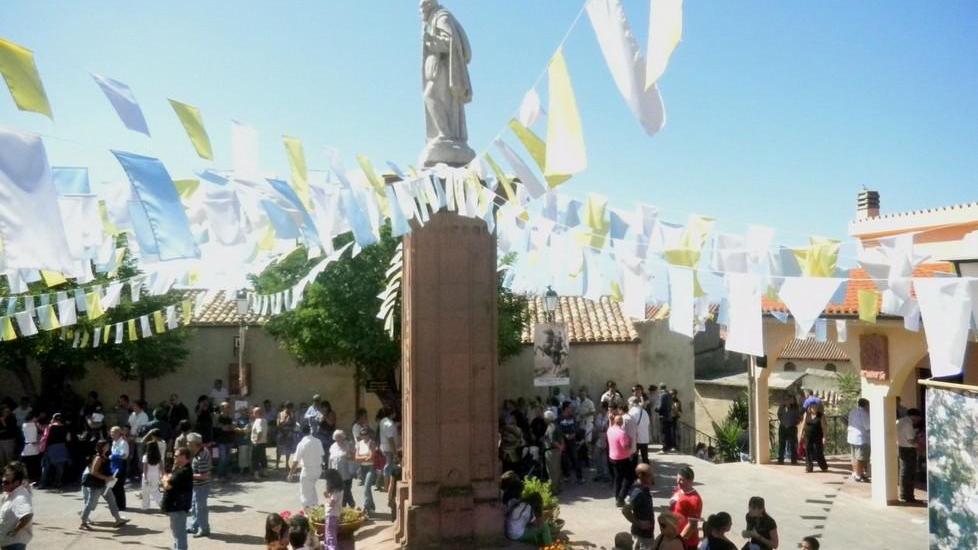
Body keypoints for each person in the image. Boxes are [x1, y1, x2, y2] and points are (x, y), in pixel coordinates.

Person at [79, 440, 128, 529]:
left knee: (112, 500)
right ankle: (83, 522)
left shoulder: (104, 457)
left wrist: (109, 477)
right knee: (91, 503)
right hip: (96, 484)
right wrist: (106, 478)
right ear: (102, 447)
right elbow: (93, 472)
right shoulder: (98, 458)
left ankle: (118, 519)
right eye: (107, 445)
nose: (108, 447)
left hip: (104, 484)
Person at [162, 447, 193, 550]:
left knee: (179, 534)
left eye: (176, 456)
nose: (174, 457)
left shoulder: (184, 471)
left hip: (178, 507)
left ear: (184, 457)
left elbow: (168, 485)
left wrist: (164, 479)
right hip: (176, 506)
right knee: (176, 533)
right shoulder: (180, 469)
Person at [1, 462, 33, 550]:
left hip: (14, 544)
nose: (2, 484)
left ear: (16, 482)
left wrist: (14, 531)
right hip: (9, 542)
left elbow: (27, 515)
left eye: (6, 482)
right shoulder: (11, 493)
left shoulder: (20, 497)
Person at [292, 424, 325, 509]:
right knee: (311, 488)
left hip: (308, 470)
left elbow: (296, 460)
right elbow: (322, 455)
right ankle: (315, 507)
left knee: (305, 493)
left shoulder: (302, 444)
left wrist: (290, 473)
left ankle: (307, 511)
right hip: (318, 469)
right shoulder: (318, 441)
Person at [623, 462, 655, 549]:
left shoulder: (642, 488)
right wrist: (638, 523)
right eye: (650, 474)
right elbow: (625, 510)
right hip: (643, 535)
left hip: (643, 533)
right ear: (642, 476)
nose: (652, 476)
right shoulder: (638, 492)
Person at [669, 466, 702, 550]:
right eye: (677, 479)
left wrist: (679, 541)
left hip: (687, 542)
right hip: (674, 535)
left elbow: (692, 526)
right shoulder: (679, 490)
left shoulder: (694, 500)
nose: (678, 482)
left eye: (681, 480)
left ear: (690, 480)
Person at [186, 433, 211, 538]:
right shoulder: (200, 451)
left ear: (193, 444)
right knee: (194, 507)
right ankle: (194, 526)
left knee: (200, 508)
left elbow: (204, 475)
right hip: (197, 486)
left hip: (201, 486)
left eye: (188, 442)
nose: (187, 444)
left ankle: (204, 529)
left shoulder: (201, 456)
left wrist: (188, 475)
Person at [897, 408, 922, 503]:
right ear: (914, 416)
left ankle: (905, 494)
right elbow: (911, 440)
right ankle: (907, 496)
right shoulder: (908, 424)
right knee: (909, 473)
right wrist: (918, 437)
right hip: (908, 449)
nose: (917, 421)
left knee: (904, 472)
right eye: (917, 418)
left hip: (901, 447)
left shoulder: (900, 421)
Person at [608, 413, 632, 507]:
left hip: (612, 458)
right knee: (628, 478)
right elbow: (625, 446)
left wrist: (610, 420)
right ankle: (621, 498)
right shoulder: (622, 433)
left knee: (618, 478)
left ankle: (617, 497)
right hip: (622, 458)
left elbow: (610, 426)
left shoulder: (610, 430)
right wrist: (630, 442)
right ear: (621, 422)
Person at [38, 414, 68, 490]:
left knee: (46, 466)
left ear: (53, 419)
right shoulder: (65, 427)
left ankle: (43, 483)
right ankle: (57, 482)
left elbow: (45, 438)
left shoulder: (49, 427)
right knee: (60, 466)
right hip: (61, 447)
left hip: (50, 447)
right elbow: (68, 438)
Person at [329, 430, 356, 507]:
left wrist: (350, 457)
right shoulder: (332, 446)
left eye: (340, 437)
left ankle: (346, 505)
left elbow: (354, 457)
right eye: (337, 437)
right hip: (336, 473)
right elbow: (330, 459)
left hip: (347, 472)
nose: (338, 439)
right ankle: (350, 504)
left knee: (346, 490)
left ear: (343, 437)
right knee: (341, 491)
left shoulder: (348, 445)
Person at [846, 398, 871, 482]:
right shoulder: (864, 413)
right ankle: (858, 474)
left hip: (852, 436)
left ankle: (855, 472)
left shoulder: (852, 411)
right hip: (861, 438)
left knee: (854, 456)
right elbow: (868, 426)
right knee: (861, 457)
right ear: (866, 405)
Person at [354, 427, 377, 515]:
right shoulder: (359, 444)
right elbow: (356, 458)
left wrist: (362, 458)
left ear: (369, 434)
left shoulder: (372, 443)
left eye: (366, 434)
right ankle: (372, 506)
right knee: (367, 489)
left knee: (366, 488)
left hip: (370, 468)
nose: (364, 436)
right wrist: (365, 457)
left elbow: (371, 457)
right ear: (360, 435)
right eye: (362, 434)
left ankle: (366, 507)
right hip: (362, 468)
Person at [800, 404, 828, 473]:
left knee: (818, 452)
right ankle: (809, 467)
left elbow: (824, 427)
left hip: (818, 436)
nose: (814, 408)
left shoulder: (820, 415)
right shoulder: (806, 414)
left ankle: (823, 466)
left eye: (816, 407)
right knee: (807, 451)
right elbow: (803, 425)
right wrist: (800, 435)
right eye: (813, 407)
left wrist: (824, 437)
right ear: (810, 408)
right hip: (808, 436)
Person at [108, 426, 129, 511]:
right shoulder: (113, 442)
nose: (111, 434)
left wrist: (112, 456)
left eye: (113, 432)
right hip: (114, 465)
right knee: (113, 486)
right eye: (111, 432)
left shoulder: (123, 443)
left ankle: (121, 506)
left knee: (119, 486)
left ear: (118, 433)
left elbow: (124, 455)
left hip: (121, 465)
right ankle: (116, 504)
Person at [776, 396, 801, 465]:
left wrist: (795, 422)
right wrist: (783, 421)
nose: (787, 401)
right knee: (782, 444)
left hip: (792, 428)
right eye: (786, 400)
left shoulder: (795, 408)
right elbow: (779, 415)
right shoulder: (782, 407)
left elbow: (799, 417)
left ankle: (794, 460)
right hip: (783, 427)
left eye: (789, 400)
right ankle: (780, 460)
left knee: (793, 445)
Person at [542, 410, 563, 493]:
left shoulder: (551, 427)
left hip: (551, 451)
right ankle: (558, 487)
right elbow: (561, 438)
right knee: (557, 470)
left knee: (552, 471)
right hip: (556, 450)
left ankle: (554, 490)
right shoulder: (556, 425)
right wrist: (561, 448)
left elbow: (552, 441)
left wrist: (560, 447)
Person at [322, 469, 344, 550]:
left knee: (330, 537)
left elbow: (332, 502)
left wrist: (327, 497)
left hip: (331, 515)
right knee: (331, 535)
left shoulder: (335, 491)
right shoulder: (339, 489)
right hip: (336, 514)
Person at [214, 401, 235, 480]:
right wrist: (226, 427)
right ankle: (220, 475)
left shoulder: (229, 418)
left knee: (227, 459)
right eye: (227, 407)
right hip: (221, 442)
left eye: (229, 407)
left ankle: (225, 474)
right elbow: (218, 428)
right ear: (222, 408)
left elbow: (230, 429)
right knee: (222, 459)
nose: (228, 409)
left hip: (229, 441)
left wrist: (227, 427)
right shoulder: (218, 418)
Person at [18, 410, 41, 484]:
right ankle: (35, 479)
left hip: (27, 447)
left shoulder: (24, 425)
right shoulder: (35, 424)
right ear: (33, 418)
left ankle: (29, 478)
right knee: (34, 464)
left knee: (28, 465)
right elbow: (40, 431)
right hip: (33, 447)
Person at [141, 437, 163, 510]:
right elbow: (161, 467)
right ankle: (162, 504)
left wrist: (146, 478)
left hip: (147, 475)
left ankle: (145, 506)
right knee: (155, 490)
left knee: (145, 491)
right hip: (156, 475)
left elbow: (145, 468)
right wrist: (162, 476)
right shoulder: (159, 457)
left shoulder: (145, 456)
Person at [628, 397, 651, 464]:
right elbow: (648, 423)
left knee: (634, 458)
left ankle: (634, 472)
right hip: (644, 438)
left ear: (632, 403)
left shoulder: (631, 411)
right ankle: (646, 471)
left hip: (636, 438)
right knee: (645, 457)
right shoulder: (644, 411)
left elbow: (630, 425)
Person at [592, 401, 611, 482]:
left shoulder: (609, 416)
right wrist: (601, 428)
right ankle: (599, 474)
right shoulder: (599, 416)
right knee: (597, 457)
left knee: (605, 459)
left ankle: (606, 475)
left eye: (600, 407)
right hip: (599, 439)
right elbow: (597, 427)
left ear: (604, 408)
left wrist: (602, 428)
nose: (599, 408)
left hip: (607, 439)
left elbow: (607, 428)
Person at [276, 402, 297, 470]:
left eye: (291, 408)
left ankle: (287, 464)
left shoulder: (292, 414)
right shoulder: (280, 414)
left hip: (289, 433)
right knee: (279, 449)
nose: (290, 409)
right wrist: (285, 420)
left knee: (288, 449)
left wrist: (291, 430)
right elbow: (278, 425)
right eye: (289, 408)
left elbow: (294, 424)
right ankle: (277, 464)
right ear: (286, 407)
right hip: (281, 433)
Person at [250, 406, 269, 480]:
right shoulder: (264, 420)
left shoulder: (258, 421)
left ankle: (256, 475)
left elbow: (259, 432)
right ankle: (265, 472)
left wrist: (256, 441)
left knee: (255, 459)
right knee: (263, 458)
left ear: (257, 413)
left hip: (257, 443)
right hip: (263, 442)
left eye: (254, 412)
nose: (253, 414)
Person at [655, 384, 673, 452]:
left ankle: (664, 447)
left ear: (660, 388)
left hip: (663, 416)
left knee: (663, 432)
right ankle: (669, 446)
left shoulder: (662, 395)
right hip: (669, 416)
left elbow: (661, 406)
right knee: (668, 432)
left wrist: (656, 409)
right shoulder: (669, 395)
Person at [0, 407, 17, 471]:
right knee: (1, 458)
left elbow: (10, 430)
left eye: (7, 411)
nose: (6, 413)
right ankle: (3, 473)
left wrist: (3, 421)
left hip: (8, 441)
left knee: (9, 458)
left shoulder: (12, 419)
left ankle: (11, 472)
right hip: (1, 441)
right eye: (4, 411)